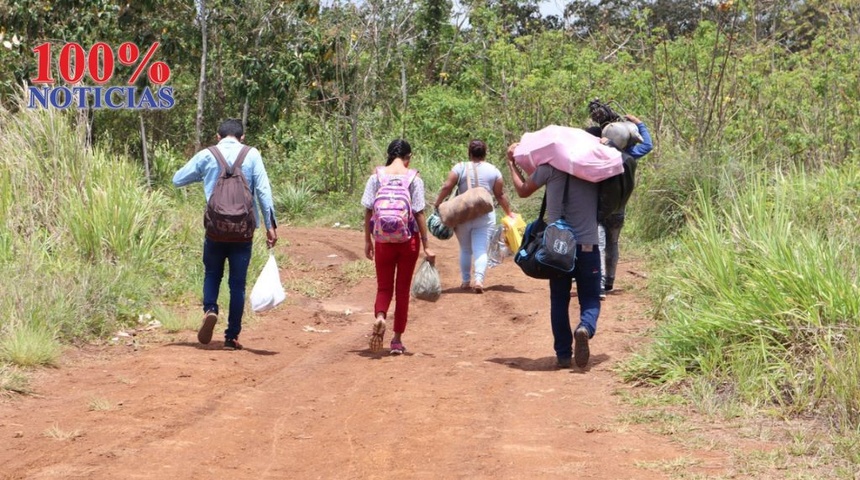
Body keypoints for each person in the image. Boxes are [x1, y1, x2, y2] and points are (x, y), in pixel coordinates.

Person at [173, 118, 278, 350]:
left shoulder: (207, 154)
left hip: (215, 230)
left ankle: (210, 309)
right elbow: (263, 190)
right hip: (243, 231)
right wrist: (271, 225)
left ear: (218, 137)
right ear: (242, 138)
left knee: (212, 273)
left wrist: (204, 174)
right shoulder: (252, 154)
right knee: (237, 285)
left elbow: (177, 178)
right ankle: (231, 337)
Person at [505, 142, 601, 369]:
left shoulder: (550, 168)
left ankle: (563, 355)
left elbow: (523, 189)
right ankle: (585, 327)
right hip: (588, 244)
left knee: (559, 299)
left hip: (557, 247)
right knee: (590, 297)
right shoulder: (597, 168)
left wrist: (511, 163)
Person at [361, 139, 436, 355]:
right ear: (408, 157)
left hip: (382, 241)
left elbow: (367, 210)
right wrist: (426, 245)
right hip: (408, 241)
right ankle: (396, 340)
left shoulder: (376, 176)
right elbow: (419, 212)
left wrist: (367, 240)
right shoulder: (414, 178)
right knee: (402, 290)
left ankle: (380, 317)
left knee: (384, 287)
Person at [432, 140, 515, 293]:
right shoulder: (494, 171)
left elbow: (447, 186)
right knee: (481, 249)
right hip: (485, 215)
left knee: (465, 249)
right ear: (485, 153)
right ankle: (479, 280)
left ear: (469, 153)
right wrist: (509, 212)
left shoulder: (460, 168)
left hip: (462, 215)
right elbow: (500, 195)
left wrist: (437, 203)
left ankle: (465, 281)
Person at [592, 113, 653, 298]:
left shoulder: (601, 156)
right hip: (619, 210)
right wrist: (639, 123)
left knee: (600, 245)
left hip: (600, 210)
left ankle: (600, 284)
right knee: (613, 244)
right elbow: (648, 145)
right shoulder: (630, 156)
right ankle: (610, 280)